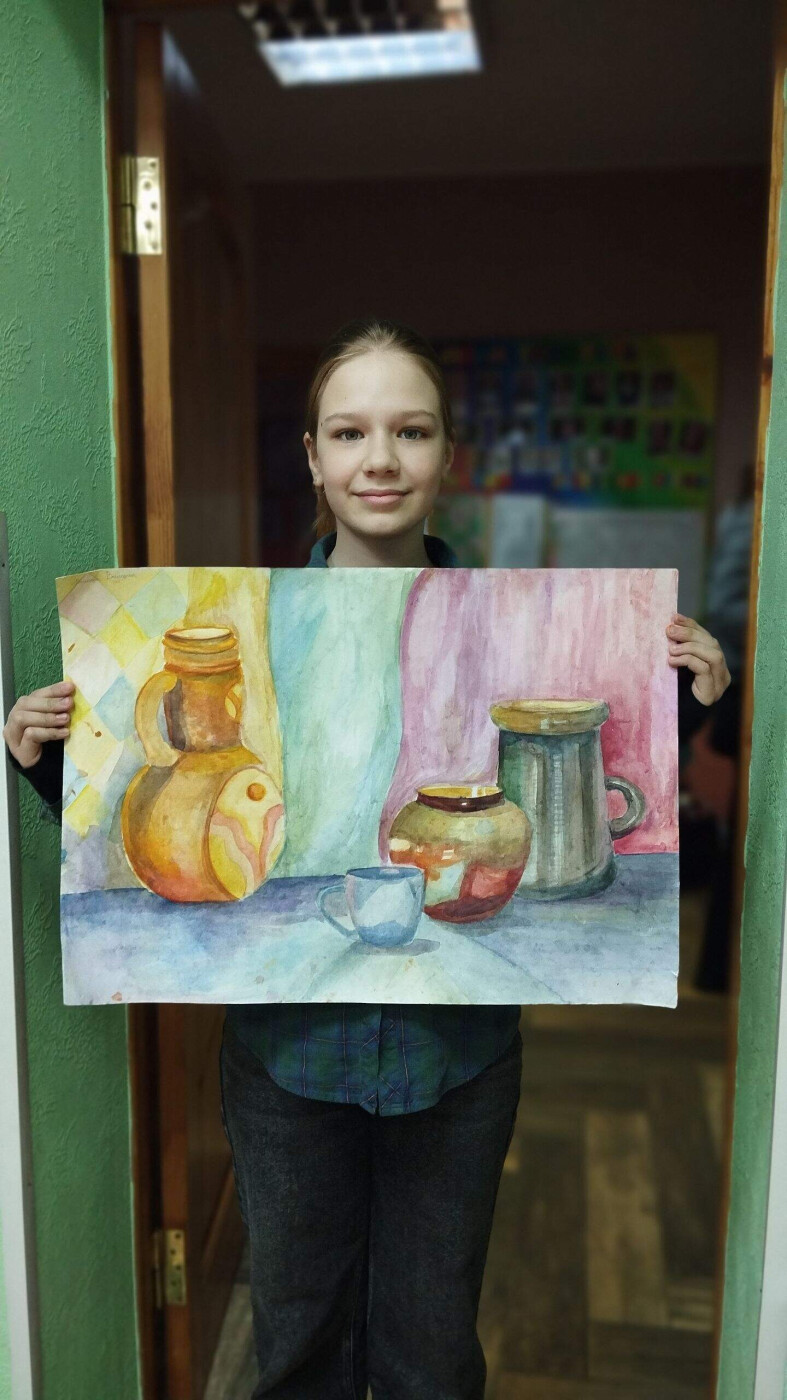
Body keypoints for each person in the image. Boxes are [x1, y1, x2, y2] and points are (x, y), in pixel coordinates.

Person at [3, 318, 731, 1399]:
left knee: (431, 1345)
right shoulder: (251, 632)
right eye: (349, 432)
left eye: (410, 431)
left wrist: (683, 698)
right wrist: (52, 764)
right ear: (312, 457)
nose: (378, 458)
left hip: (460, 1056)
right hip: (287, 1060)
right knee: (296, 1335)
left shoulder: (513, 627)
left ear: (446, 454)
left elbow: (599, 785)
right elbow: (163, 811)